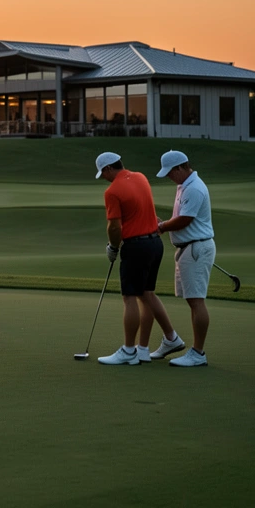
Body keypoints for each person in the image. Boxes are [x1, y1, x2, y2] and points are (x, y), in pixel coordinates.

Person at [93, 152, 179, 366]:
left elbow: (114, 226)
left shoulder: (112, 191)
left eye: (103, 174)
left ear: (108, 169)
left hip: (136, 246)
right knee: (146, 294)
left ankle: (129, 350)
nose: (104, 178)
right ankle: (151, 346)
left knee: (130, 297)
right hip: (155, 244)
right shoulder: (140, 177)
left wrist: (113, 247)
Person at [155, 150, 215, 367]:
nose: (170, 177)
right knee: (192, 300)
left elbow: (185, 220)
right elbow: (179, 218)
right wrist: (164, 223)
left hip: (196, 247)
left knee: (197, 300)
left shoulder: (195, 188)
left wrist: (161, 227)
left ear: (180, 167)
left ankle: (198, 353)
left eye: (170, 173)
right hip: (189, 248)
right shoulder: (184, 185)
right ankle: (193, 351)